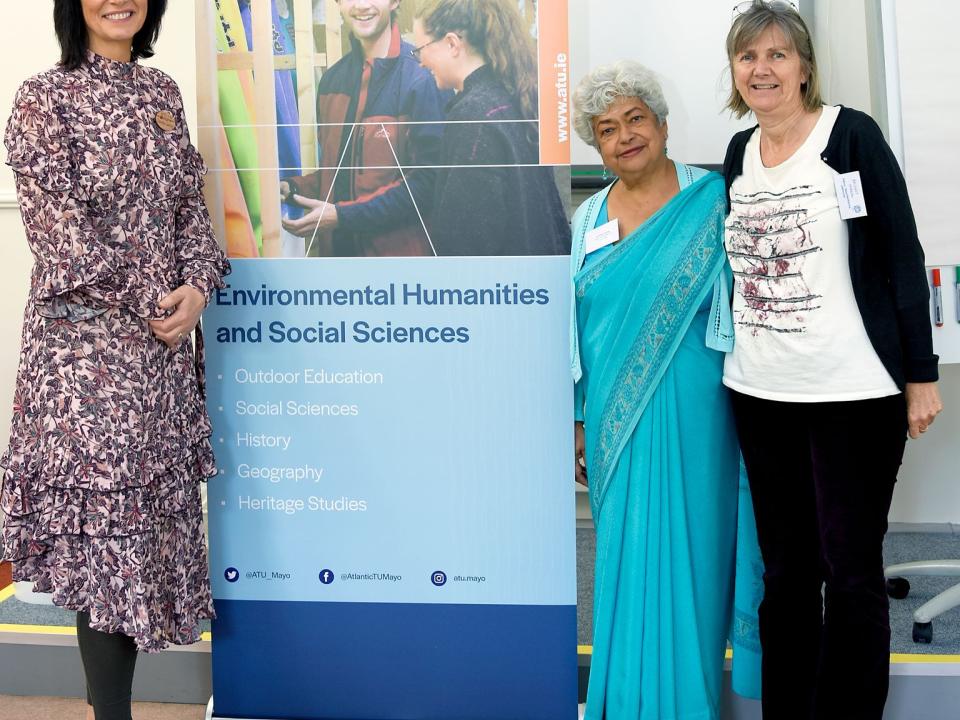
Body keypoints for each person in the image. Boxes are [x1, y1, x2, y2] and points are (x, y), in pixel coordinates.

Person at [0, 2, 230, 719]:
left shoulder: (161, 94)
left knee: (138, 542)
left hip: (159, 359)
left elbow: (191, 208)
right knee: (106, 545)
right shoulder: (43, 97)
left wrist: (196, 287)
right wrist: (156, 301)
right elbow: (59, 236)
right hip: (85, 367)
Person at [721, 2, 943, 718]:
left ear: (806, 66)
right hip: (759, 392)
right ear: (734, 71)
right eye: (749, 56)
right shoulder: (738, 153)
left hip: (853, 391)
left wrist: (921, 375)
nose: (763, 69)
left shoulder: (849, 137)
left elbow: (901, 257)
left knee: (850, 574)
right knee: (784, 573)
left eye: (778, 55)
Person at [570, 60, 761, 720]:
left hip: (702, 411)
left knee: (698, 563)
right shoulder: (587, 217)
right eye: (606, 129)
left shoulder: (714, 200)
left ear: (662, 125)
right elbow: (574, 329)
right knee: (622, 558)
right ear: (596, 146)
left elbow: (747, 305)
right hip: (614, 420)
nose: (624, 136)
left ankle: (691, 705)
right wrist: (575, 420)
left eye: (635, 120)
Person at [280, 0, 448, 257]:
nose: (361, 5)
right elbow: (337, 176)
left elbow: (429, 184)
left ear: (394, 2)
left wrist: (342, 216)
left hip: (399, 276)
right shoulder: (332, 81)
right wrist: (294, 188)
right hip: (338, 268)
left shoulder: (421, 78)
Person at [412, 0, 569, 256]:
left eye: (421, 49)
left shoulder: (472, 116)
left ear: (452, 44)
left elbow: (466, 240)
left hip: (496, 290)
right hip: (533, 284)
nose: (420, 62)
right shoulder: (512, 96)